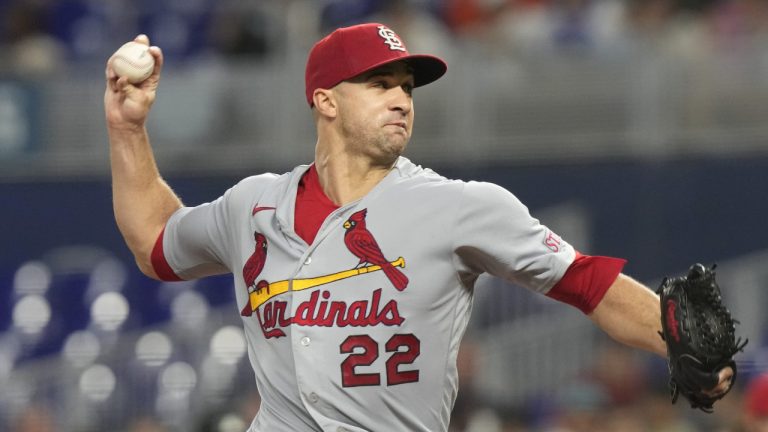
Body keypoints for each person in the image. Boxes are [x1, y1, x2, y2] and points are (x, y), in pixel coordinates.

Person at [104, 23, 734, 432]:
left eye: (406, 86)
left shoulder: (459, 206)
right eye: (379, 85)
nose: (402, 99)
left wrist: (676, 337)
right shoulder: (253, 207)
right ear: (325, 100)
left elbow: (584, 282)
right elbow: (156, 243)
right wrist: (128, 129)